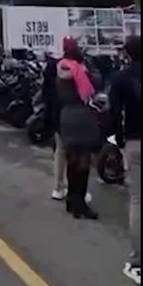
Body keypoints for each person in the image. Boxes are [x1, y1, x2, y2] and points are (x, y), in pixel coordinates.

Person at [108, 35, 142, 286]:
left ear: (127, 53)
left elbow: (114, 113)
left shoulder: (121, 78)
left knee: (138, 201)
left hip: (134, 142)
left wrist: (119, 141)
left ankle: (138, 259)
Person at [56, 37, 101, 219]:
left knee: (72, 158)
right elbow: (95, 85)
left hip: (66, 115)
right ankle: (80, 202)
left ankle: (71, 200)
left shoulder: (59, 68)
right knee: (84, 160)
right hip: (82, 115)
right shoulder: (81, 70)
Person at [44, 46, 92, 204]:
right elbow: (89, 92)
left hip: (58, 114)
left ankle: (59, 187)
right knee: (79, 154)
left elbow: (46, 92)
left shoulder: (54, 68)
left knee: (61, 151)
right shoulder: (80, 71)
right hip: (75, 116)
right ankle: (77, 192)